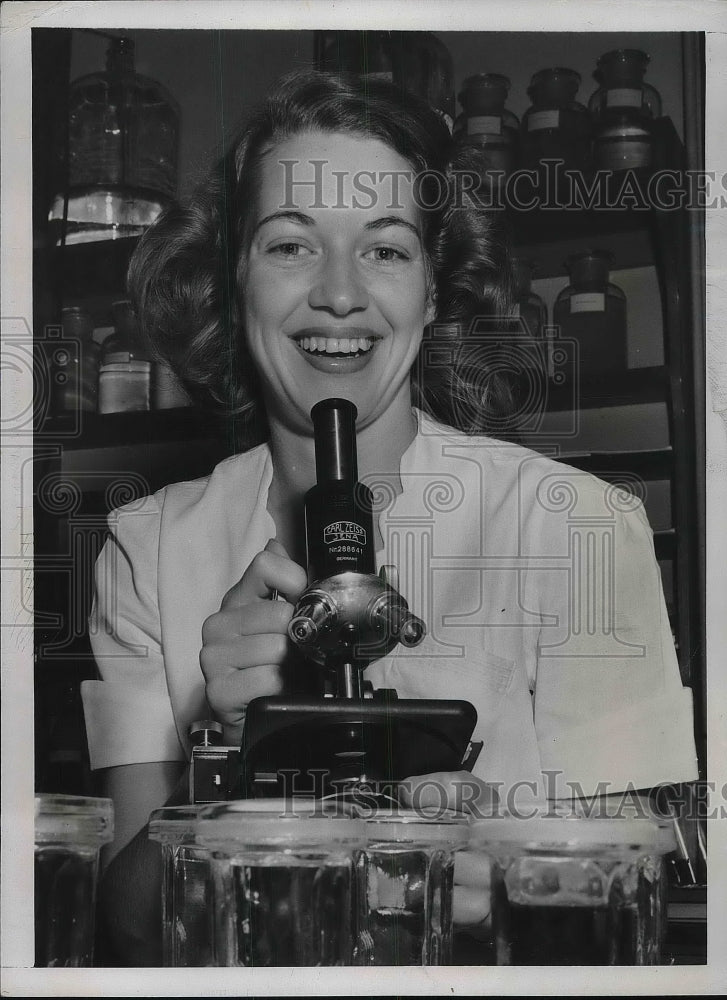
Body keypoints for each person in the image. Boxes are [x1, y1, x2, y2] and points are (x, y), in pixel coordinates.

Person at [81, 70, 699, 966]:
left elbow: (637, 893)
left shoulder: (576, 527)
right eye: (290, 245)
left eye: (385, 249)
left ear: (434, 291)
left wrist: (506, 874)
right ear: (232, 279)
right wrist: (221, 754)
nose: (340, 294)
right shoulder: (148, 549)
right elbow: (128, 927)